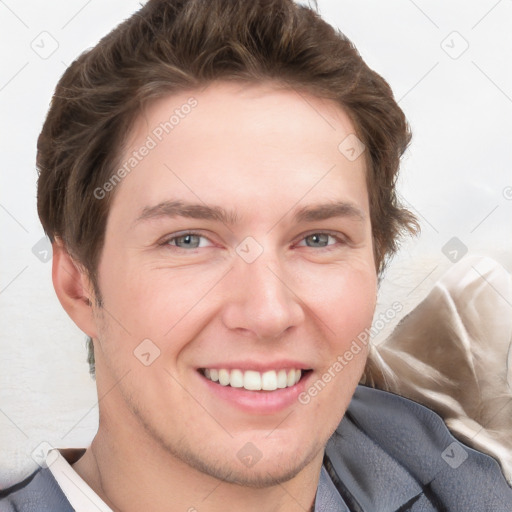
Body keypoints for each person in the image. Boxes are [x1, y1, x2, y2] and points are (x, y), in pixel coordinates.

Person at [1, 0, 511, 510]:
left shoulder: (458, 472)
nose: (268, 313)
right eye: (189, 240)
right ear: (78, 286)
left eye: (318, 239)